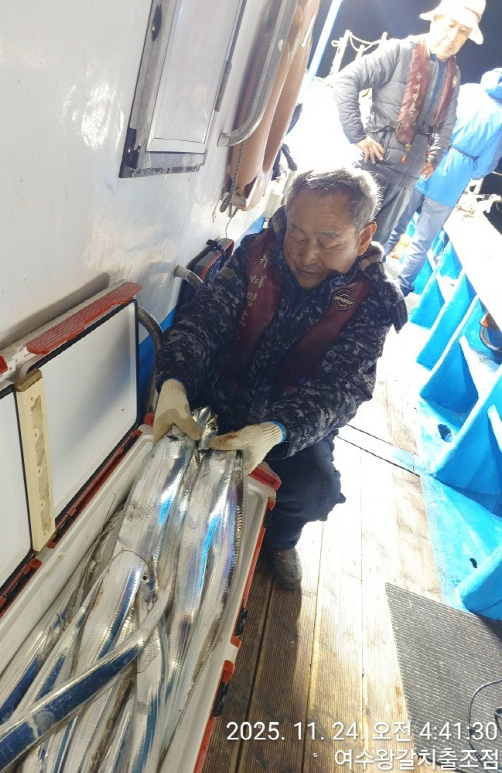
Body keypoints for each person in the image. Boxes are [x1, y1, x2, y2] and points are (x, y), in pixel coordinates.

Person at [152, 167, 407, 589]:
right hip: (217, 397)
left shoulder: (374, 300)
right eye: (298, 235)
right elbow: (204, 323)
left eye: (328, 241)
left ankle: (282, 541)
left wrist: (276, 431)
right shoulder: (255, 253)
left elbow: (341, 389)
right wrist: (175, 383)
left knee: (315, 492)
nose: (308, 255)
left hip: (291, 427)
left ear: (363, 238)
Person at [333, 0, 485, 247]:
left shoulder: (453, 74)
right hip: (371, 167)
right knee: (342, 236)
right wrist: (357, 135)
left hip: (406, 180)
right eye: (451, 25)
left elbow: (448, 123)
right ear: (435, 20)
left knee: (373, 247)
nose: (454, 36)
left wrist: (435, 157)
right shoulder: (400, 51)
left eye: (463, 32)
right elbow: (346, 80)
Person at [386, 67, 502, 296]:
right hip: (454, 177)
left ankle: (370, 264)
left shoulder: (467, 91)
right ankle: (401, 287)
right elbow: (488, 160)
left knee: (396, 221)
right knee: (423, 238)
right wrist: (469, 170)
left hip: (426, 159)